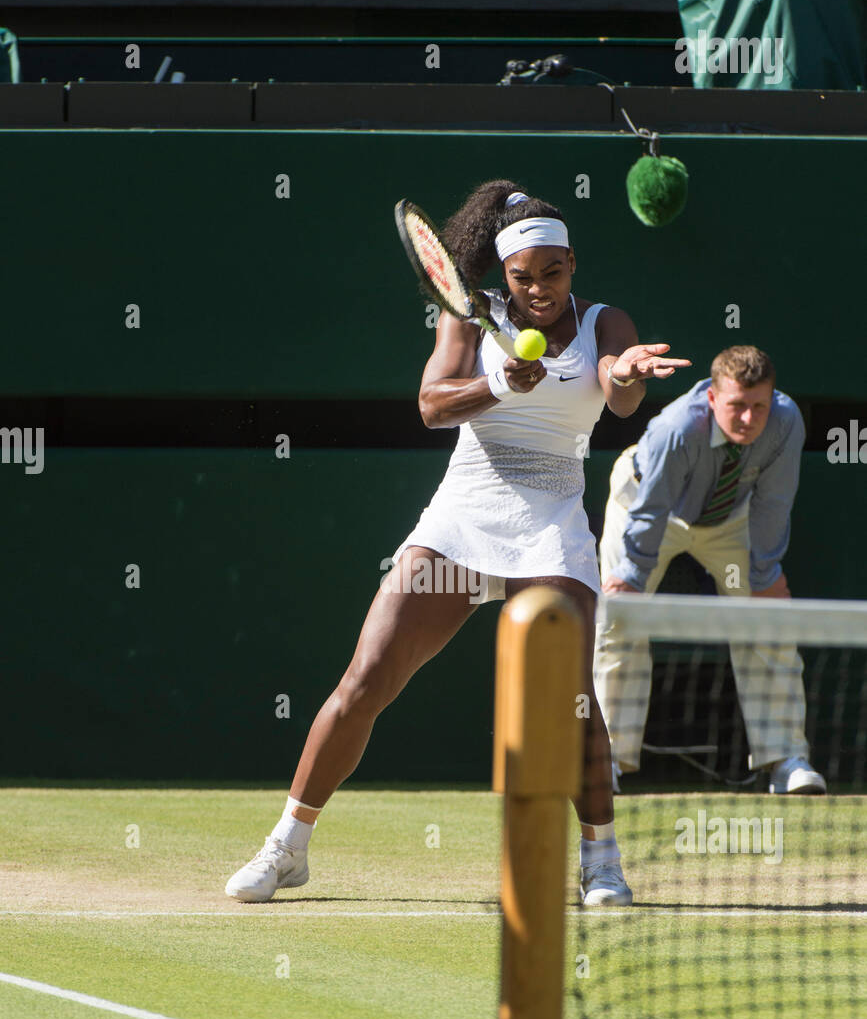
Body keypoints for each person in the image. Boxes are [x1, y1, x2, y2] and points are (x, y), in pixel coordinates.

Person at [225, 178, 690, 906]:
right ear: (503, 275)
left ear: (573, 263)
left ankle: (600, 862)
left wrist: (625, 375)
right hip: (462, 520)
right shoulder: (471, 321)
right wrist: (501, 383)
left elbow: (620, 391)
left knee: (569, 697)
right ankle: (287, 846)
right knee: (366, 680)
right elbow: (430, 405)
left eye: (552, 272)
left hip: (550, 528)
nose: (537, 289)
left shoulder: (606, 323)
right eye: (521, 277)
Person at [594, 344, 826, 795]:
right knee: (617, 622)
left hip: (730, 518)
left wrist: (764, 577)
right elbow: (650, 510)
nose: (748, 418)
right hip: (646, 506)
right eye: (737, 406)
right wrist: (631, 582)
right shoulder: (677, 428)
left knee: (769, 620)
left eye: (759, 405)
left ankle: (785, 761)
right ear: (713, 398)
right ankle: (606, 760)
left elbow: (773, 504)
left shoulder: (785, 421)